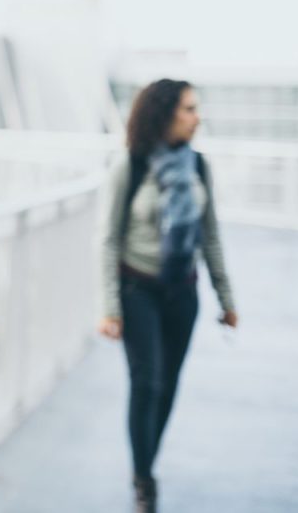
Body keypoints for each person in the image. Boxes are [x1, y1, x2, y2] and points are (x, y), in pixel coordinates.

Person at [98, 79, 238, 512]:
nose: (198, 117)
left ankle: (144, 460)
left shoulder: (199, 167)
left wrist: (226, 298)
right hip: (137, 289)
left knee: (168, 387)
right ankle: (144, 480)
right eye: (190, 109)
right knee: (147, 383)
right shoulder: (131, 165)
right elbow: (107, 240)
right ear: (165, 114)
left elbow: (209, 235)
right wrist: (110, 307)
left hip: (183, 294)